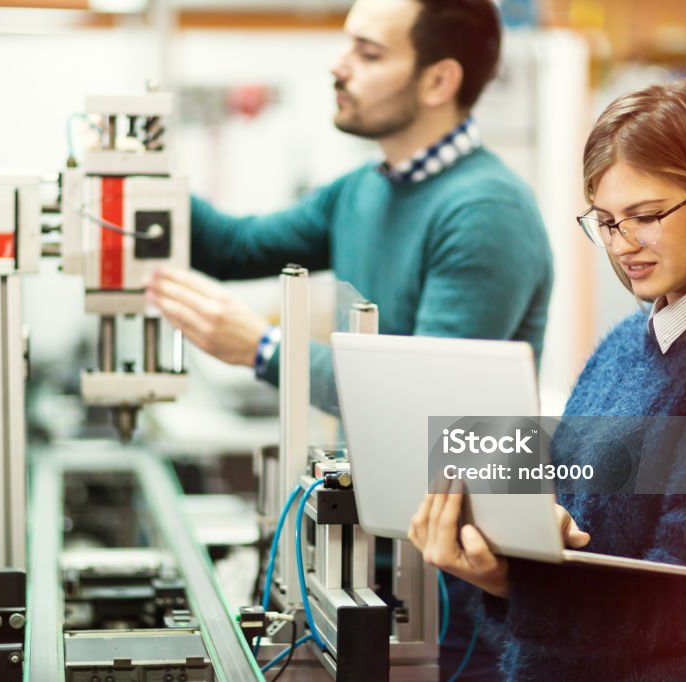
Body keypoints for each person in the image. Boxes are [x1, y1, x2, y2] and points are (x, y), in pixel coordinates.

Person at [145, 0, 553, 676]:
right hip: (365, 552)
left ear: (437, 81)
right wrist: (135, 169)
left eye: (368, 53)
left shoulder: (485, 212)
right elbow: (235, 245)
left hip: (454, 584)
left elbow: (423, 405)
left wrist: (263, 348)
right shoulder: (361, 191)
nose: (338, 66)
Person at [408, 78, 686, 679]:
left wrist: (518, 581)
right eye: (605, 222)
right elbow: (582, 537)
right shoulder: (623, 346)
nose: (622, 245)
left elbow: (683, 599)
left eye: (646, 216)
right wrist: (519, 541)